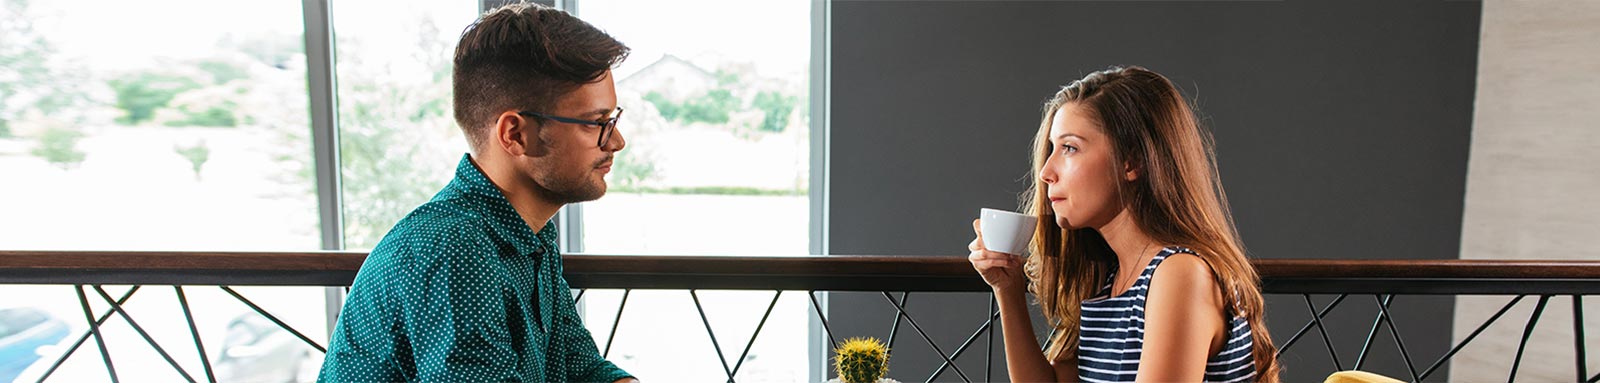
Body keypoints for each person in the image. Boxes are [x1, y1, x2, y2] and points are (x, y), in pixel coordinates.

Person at [319, 3, 637, 382]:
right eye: (596, 124)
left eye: (613, 120)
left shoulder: (528, 232)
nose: (616, 141)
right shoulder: (454, 247)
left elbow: (577, 364)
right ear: (515, 134)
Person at [968, 66, 1279, 382]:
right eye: (1052, 149)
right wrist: (1008, 289)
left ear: (1132, 162)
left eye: (1070, 148)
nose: (1046, 171)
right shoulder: (1111, 282)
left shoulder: (1179, 274)